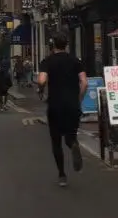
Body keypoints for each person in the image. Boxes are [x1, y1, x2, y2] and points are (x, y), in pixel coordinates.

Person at [37, 34, 88, 187]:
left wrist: (40, 90)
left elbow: (42, 80)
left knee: (56, 141)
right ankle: (73, 144)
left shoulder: (47, 61)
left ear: (53, 45)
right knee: (70, 135)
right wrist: (78, 98)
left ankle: (62, 175)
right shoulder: (75, 61)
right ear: (66, 45)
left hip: (55, 105)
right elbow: (84, 83)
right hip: (72, 105)